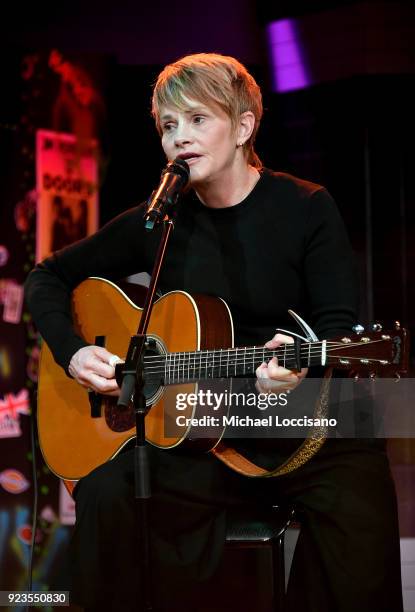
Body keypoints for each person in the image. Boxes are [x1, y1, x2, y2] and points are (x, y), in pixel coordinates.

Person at [25, 53, 403, 612]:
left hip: (299, 421)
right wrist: (75, 351)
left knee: (362, 482)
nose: (181, 137)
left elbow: (337, 330)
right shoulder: (160, 218)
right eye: (168, 126)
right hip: (199, 432)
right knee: (109, 492)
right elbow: (46, 276)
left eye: (198, 120)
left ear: (244, 126)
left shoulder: (305, 207)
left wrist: (297, 369)